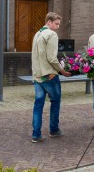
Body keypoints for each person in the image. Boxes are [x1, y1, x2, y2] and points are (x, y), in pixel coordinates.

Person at [31, 12, 71, 143]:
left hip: (37, 75)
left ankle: (36, 134)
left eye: (59, 24)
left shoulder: (37, 33)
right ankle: (53, 129)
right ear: (49, 22)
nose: (58, 27)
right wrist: (62, 71)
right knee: (55, 101)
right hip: (49, 75)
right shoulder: (52, 35)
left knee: (38, 104)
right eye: (56, 23)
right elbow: (52, 58)